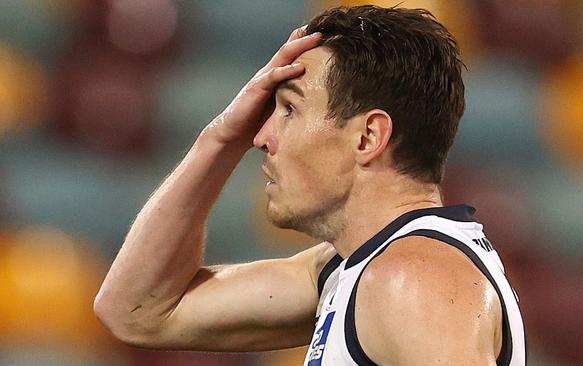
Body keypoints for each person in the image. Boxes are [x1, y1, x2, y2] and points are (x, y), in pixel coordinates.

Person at [94, 5, 526, 366]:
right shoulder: (348, 269)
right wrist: (221, 137)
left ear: (367, 137)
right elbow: (137, 312)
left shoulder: (412, 279)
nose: (260, 137)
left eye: (289, 109)